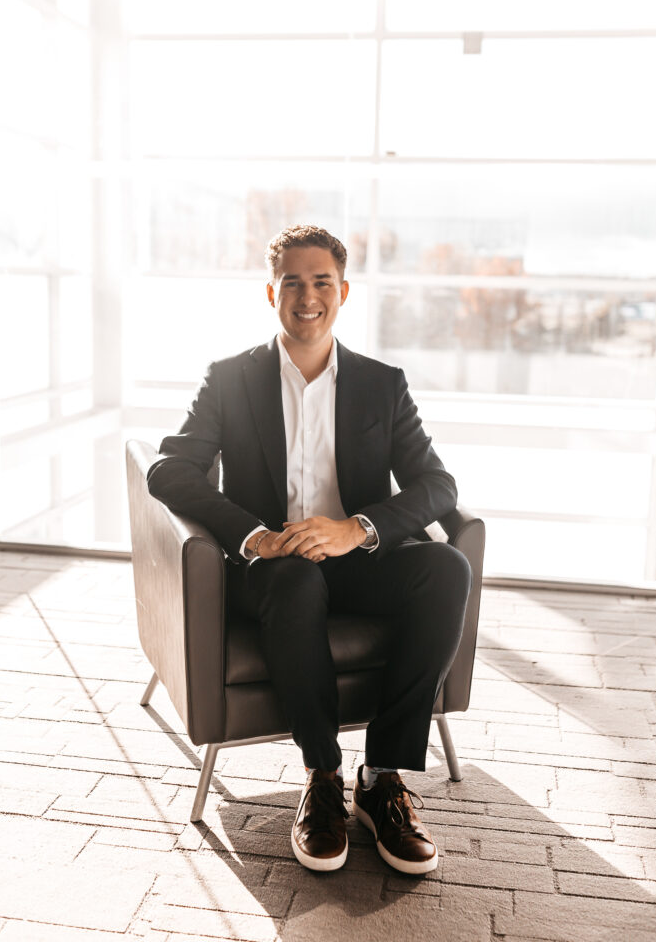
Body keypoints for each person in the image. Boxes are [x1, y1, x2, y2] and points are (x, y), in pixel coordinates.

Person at [147, 224, 471, 875]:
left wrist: (357, 527)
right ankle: (322, 777)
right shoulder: (230, 379)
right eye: (291, 282)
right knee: (295, 580)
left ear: (343, 291)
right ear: (271, 293)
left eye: (321, 281)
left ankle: (382, 779)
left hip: (357, 563)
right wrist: (253, 535)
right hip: (271, 571)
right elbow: (169, 470)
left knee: (444, 567)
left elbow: (437, 485)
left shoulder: (382, 384)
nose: (306, 296)